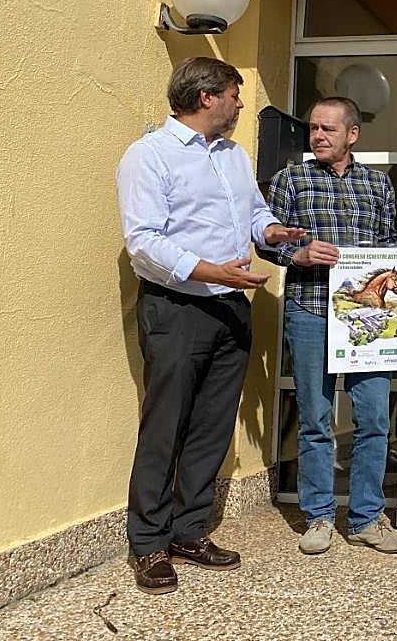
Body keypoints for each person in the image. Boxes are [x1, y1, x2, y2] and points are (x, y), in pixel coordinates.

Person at [116, 57, 305, 594]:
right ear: (206, 97)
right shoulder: (149, 155)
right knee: (165, 427)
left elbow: (253, 214)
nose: (240, 104)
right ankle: (148, 544)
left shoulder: (234, 156)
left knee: (211, 427)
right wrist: (208, 270)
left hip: (231, 306)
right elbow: (144, 242)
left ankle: (188, 531)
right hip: (177, 308)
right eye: (234, 95)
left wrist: (273, 232)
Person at [262, 96, 397, 556]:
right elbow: (264, 239)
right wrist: (297, 254)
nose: (318, 136)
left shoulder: (378, 184)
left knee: (374, 419)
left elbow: (389, 244)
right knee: (315, 419)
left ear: (352, 134)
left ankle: (365, 519)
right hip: (310, 311)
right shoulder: (291, 180)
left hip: (366, 322)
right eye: (314, 128)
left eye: (328, 129)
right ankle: (318, 517)